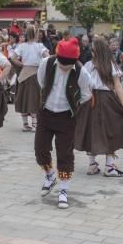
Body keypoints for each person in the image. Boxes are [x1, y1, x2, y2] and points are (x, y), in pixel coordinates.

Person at [75, 37, 123, 178]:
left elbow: (118, 86)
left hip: (95, 100)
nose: (92, 52)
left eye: (94, 50)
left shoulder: (94, 65)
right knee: (110, 131)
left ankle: (96, 165)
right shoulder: (101, 65)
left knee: (95, 130)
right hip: (101, 100)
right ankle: (106, 166)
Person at [35, 39, 90, 210]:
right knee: (40, 149)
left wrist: (72, 105)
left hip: (66, 117)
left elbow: (86, 95)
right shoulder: (47, 63)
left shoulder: (82, 72)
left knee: (65, 154)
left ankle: (63, 190)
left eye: (68, 65)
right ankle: (50, 175)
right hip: (45, 113)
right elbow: (41, 82)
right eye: (61, 63)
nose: (63, 67)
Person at [13, 26, 48, 132]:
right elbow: (47, 56)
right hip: (36, 74)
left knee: (23, 98)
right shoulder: (39, 46)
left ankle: (25, 124)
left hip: (24, 74)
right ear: (36, 34)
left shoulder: (22, 46)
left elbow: (13, 58)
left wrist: (22, 64)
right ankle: (34, 124)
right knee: (34, 98)